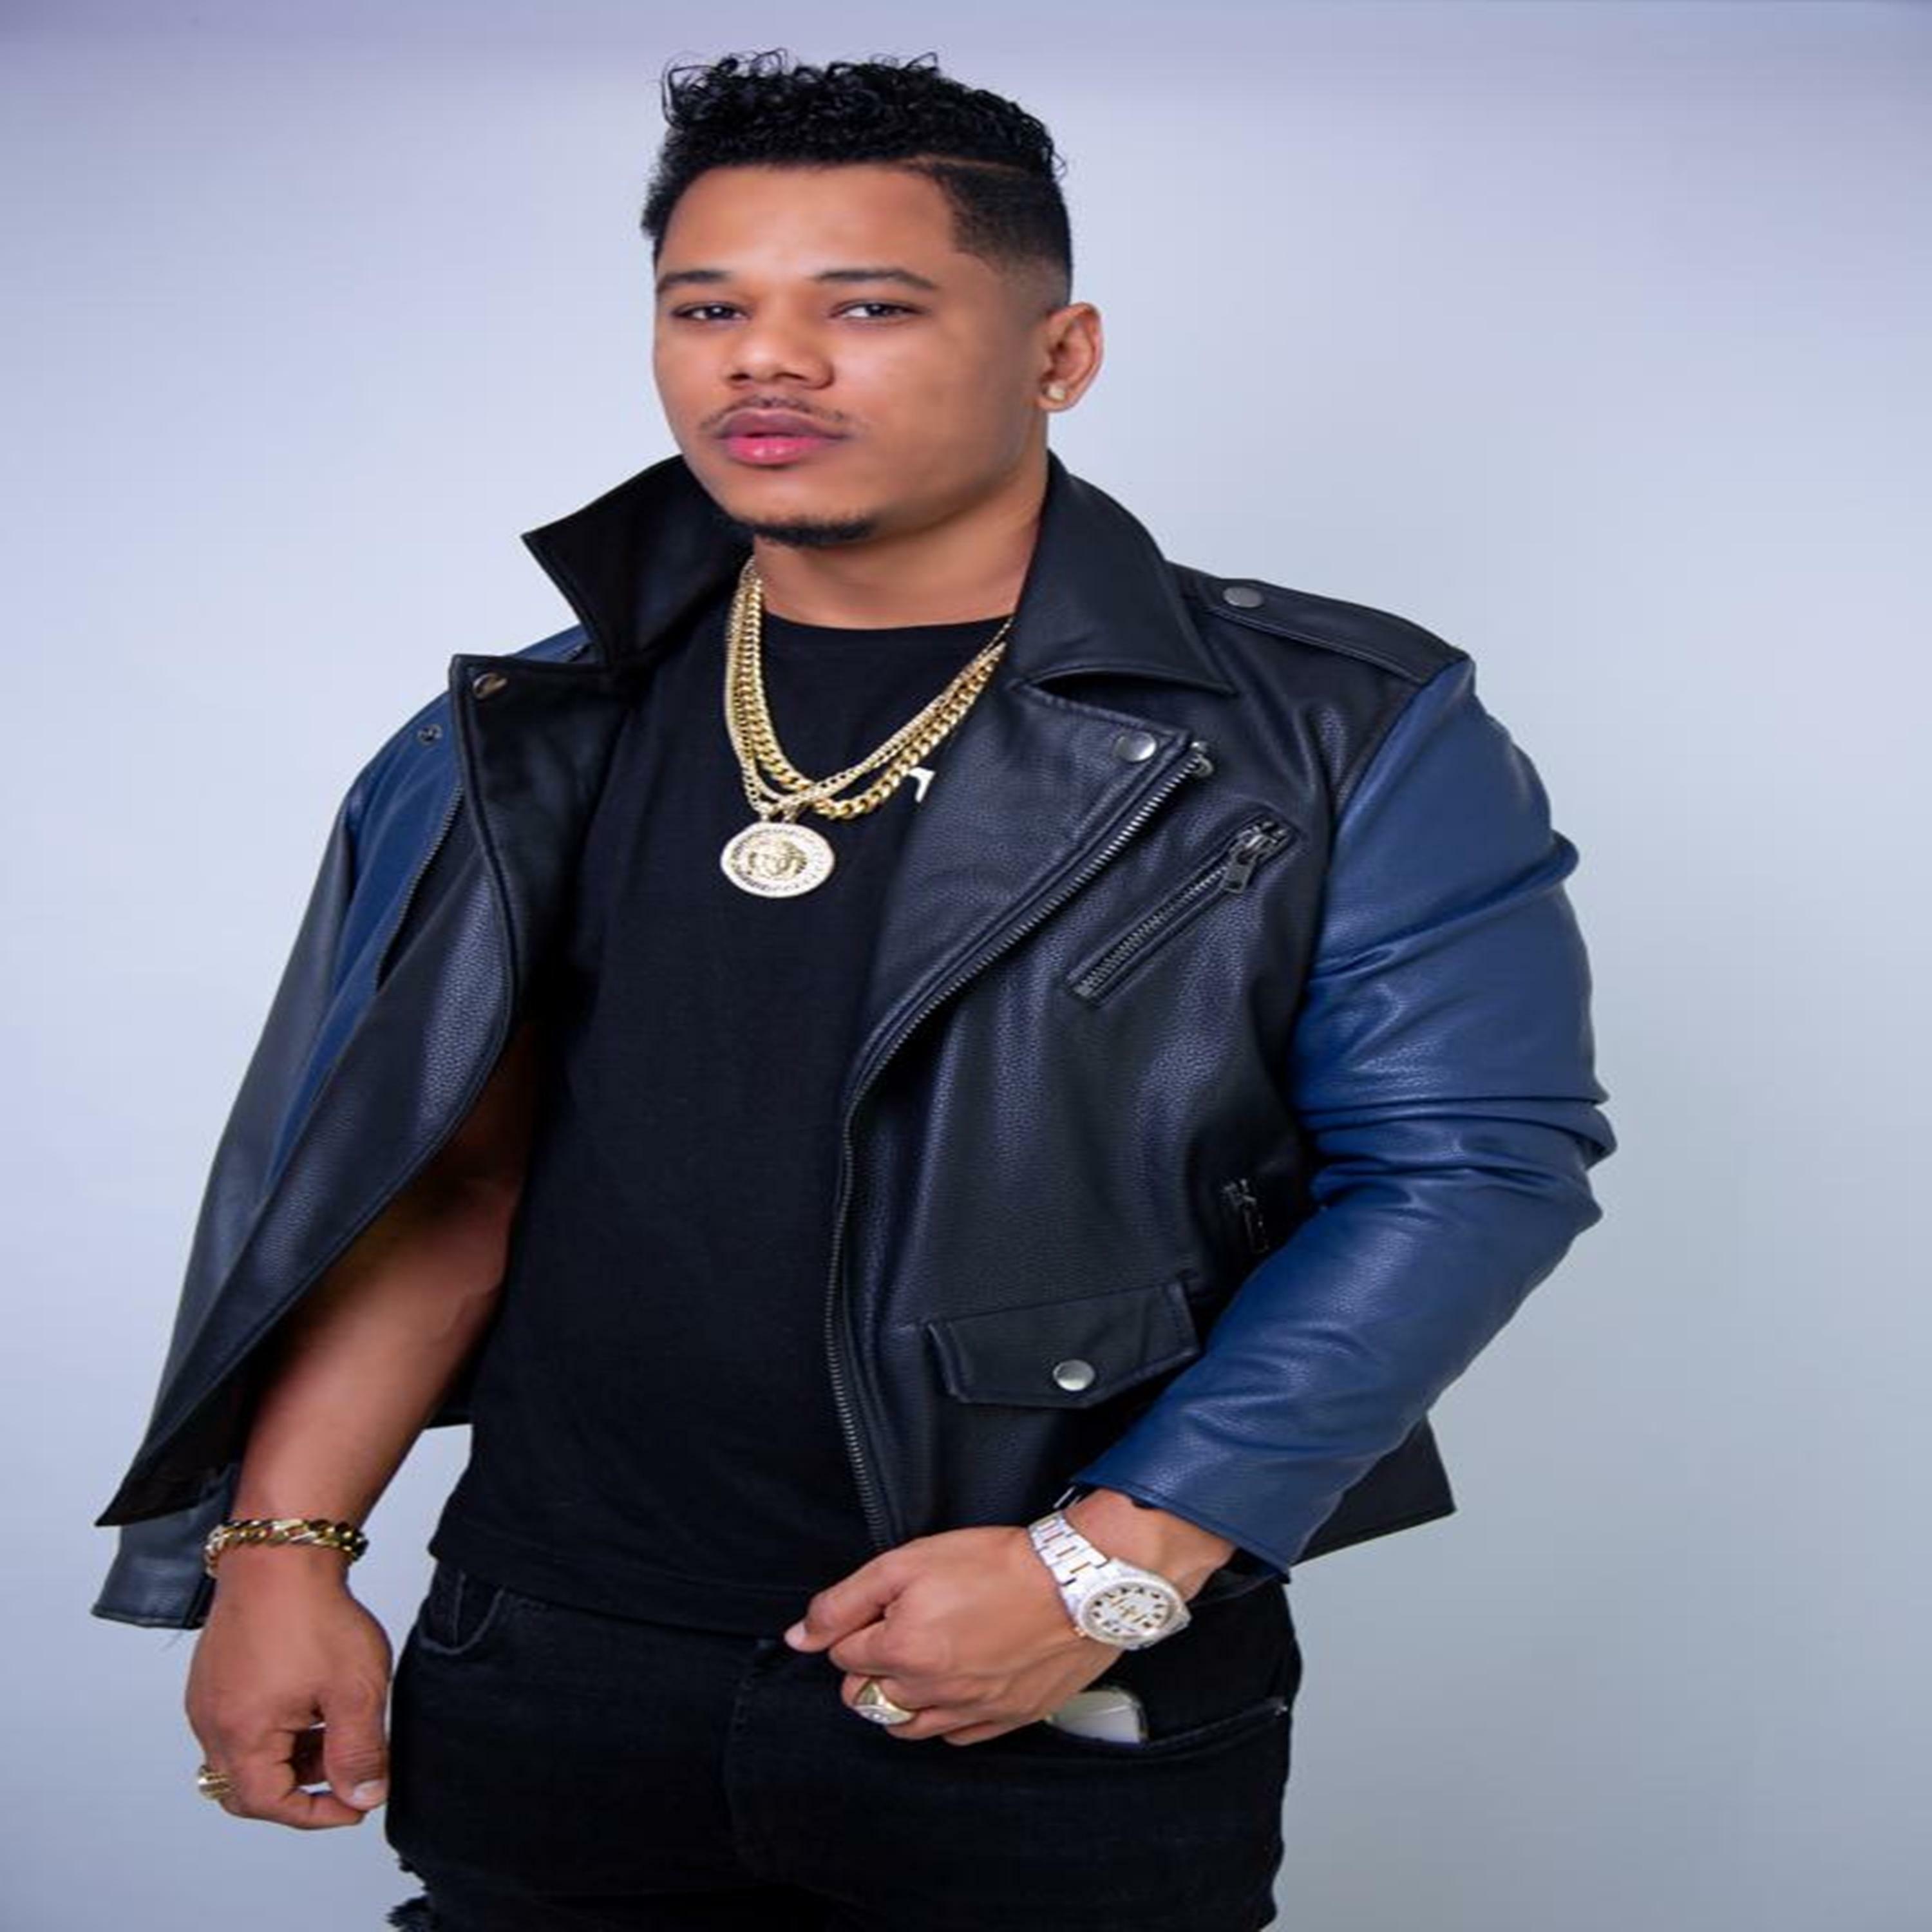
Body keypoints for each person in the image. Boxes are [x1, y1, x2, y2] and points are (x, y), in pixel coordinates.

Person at [90, 49, 1615, 1932]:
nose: (767, 362)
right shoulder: (528, 728)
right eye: (706, 309)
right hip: (546, 1657)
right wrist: (281, 1553)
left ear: (1060, 354)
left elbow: (1471, 1169)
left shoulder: (1334, 726)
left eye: (867, 308)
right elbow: (448, 1175)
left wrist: (1108, 1567)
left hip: (1032, 1670)